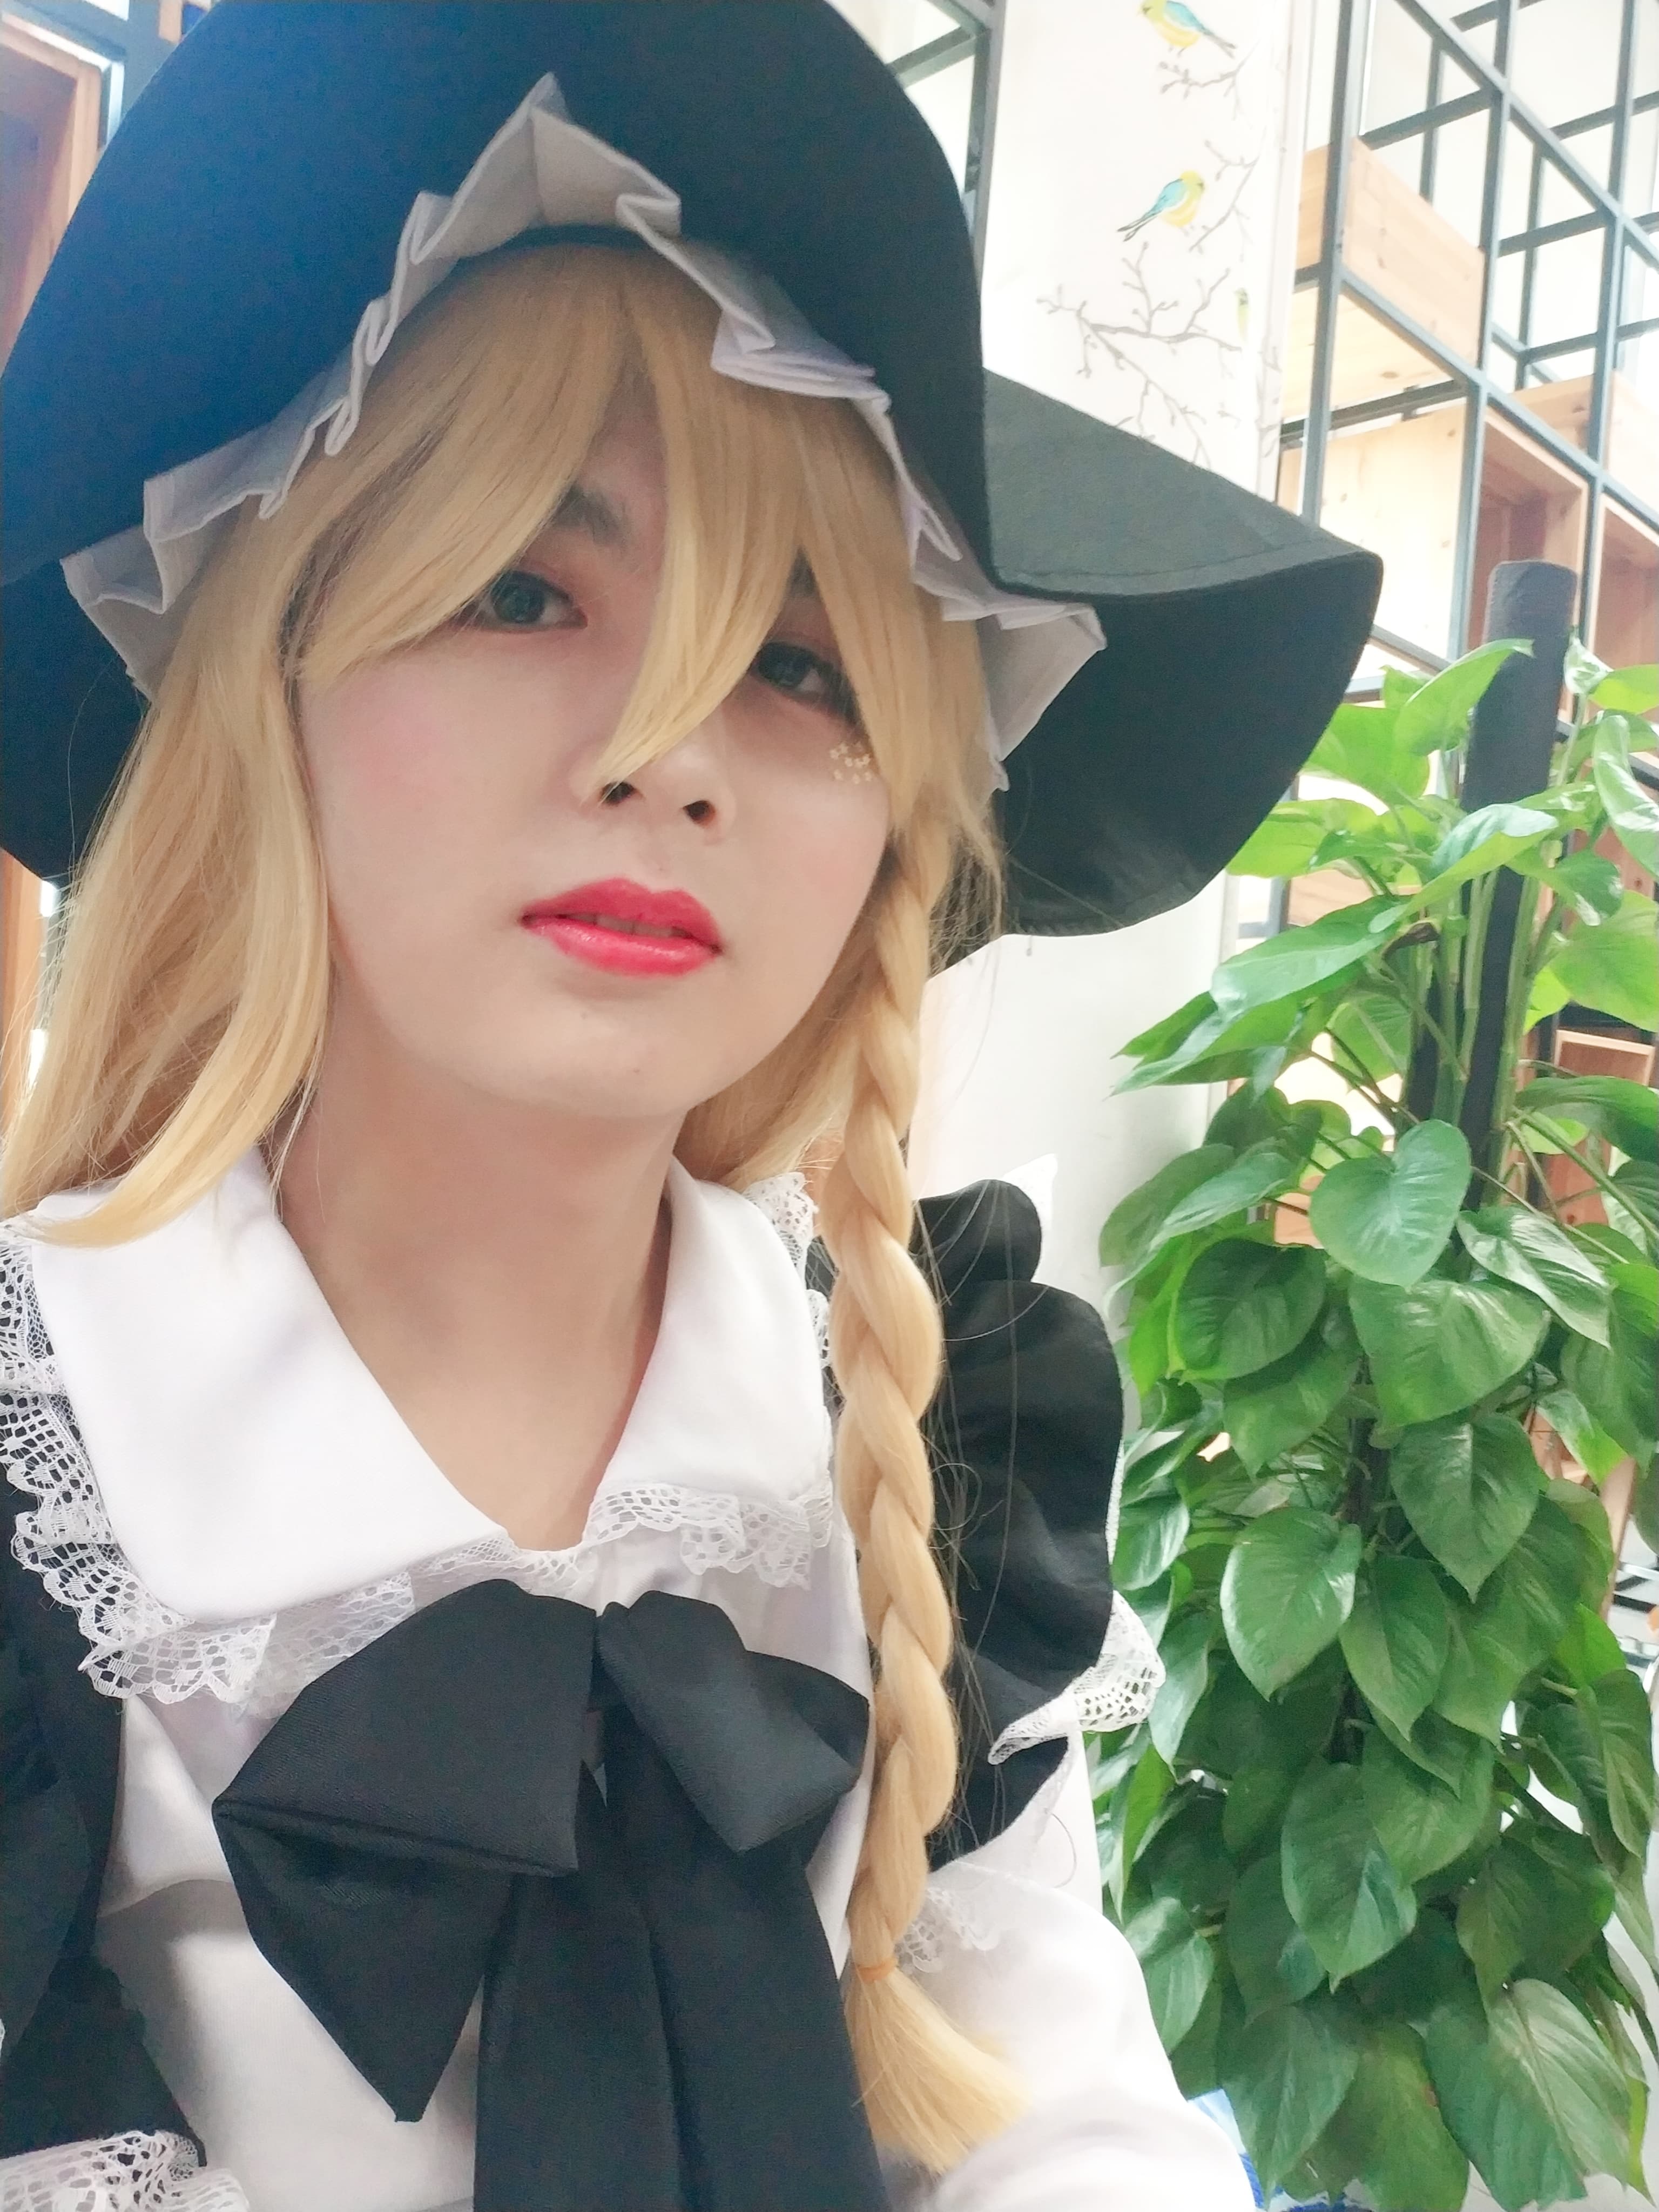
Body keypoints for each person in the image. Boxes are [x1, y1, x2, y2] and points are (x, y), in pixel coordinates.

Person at [0, 8, 1379, 2209]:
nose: (668, 748)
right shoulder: (47, 1471)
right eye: (521, 591)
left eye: (802, 664)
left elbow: (1051, 2096)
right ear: (273, 682)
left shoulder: (937, 1431)